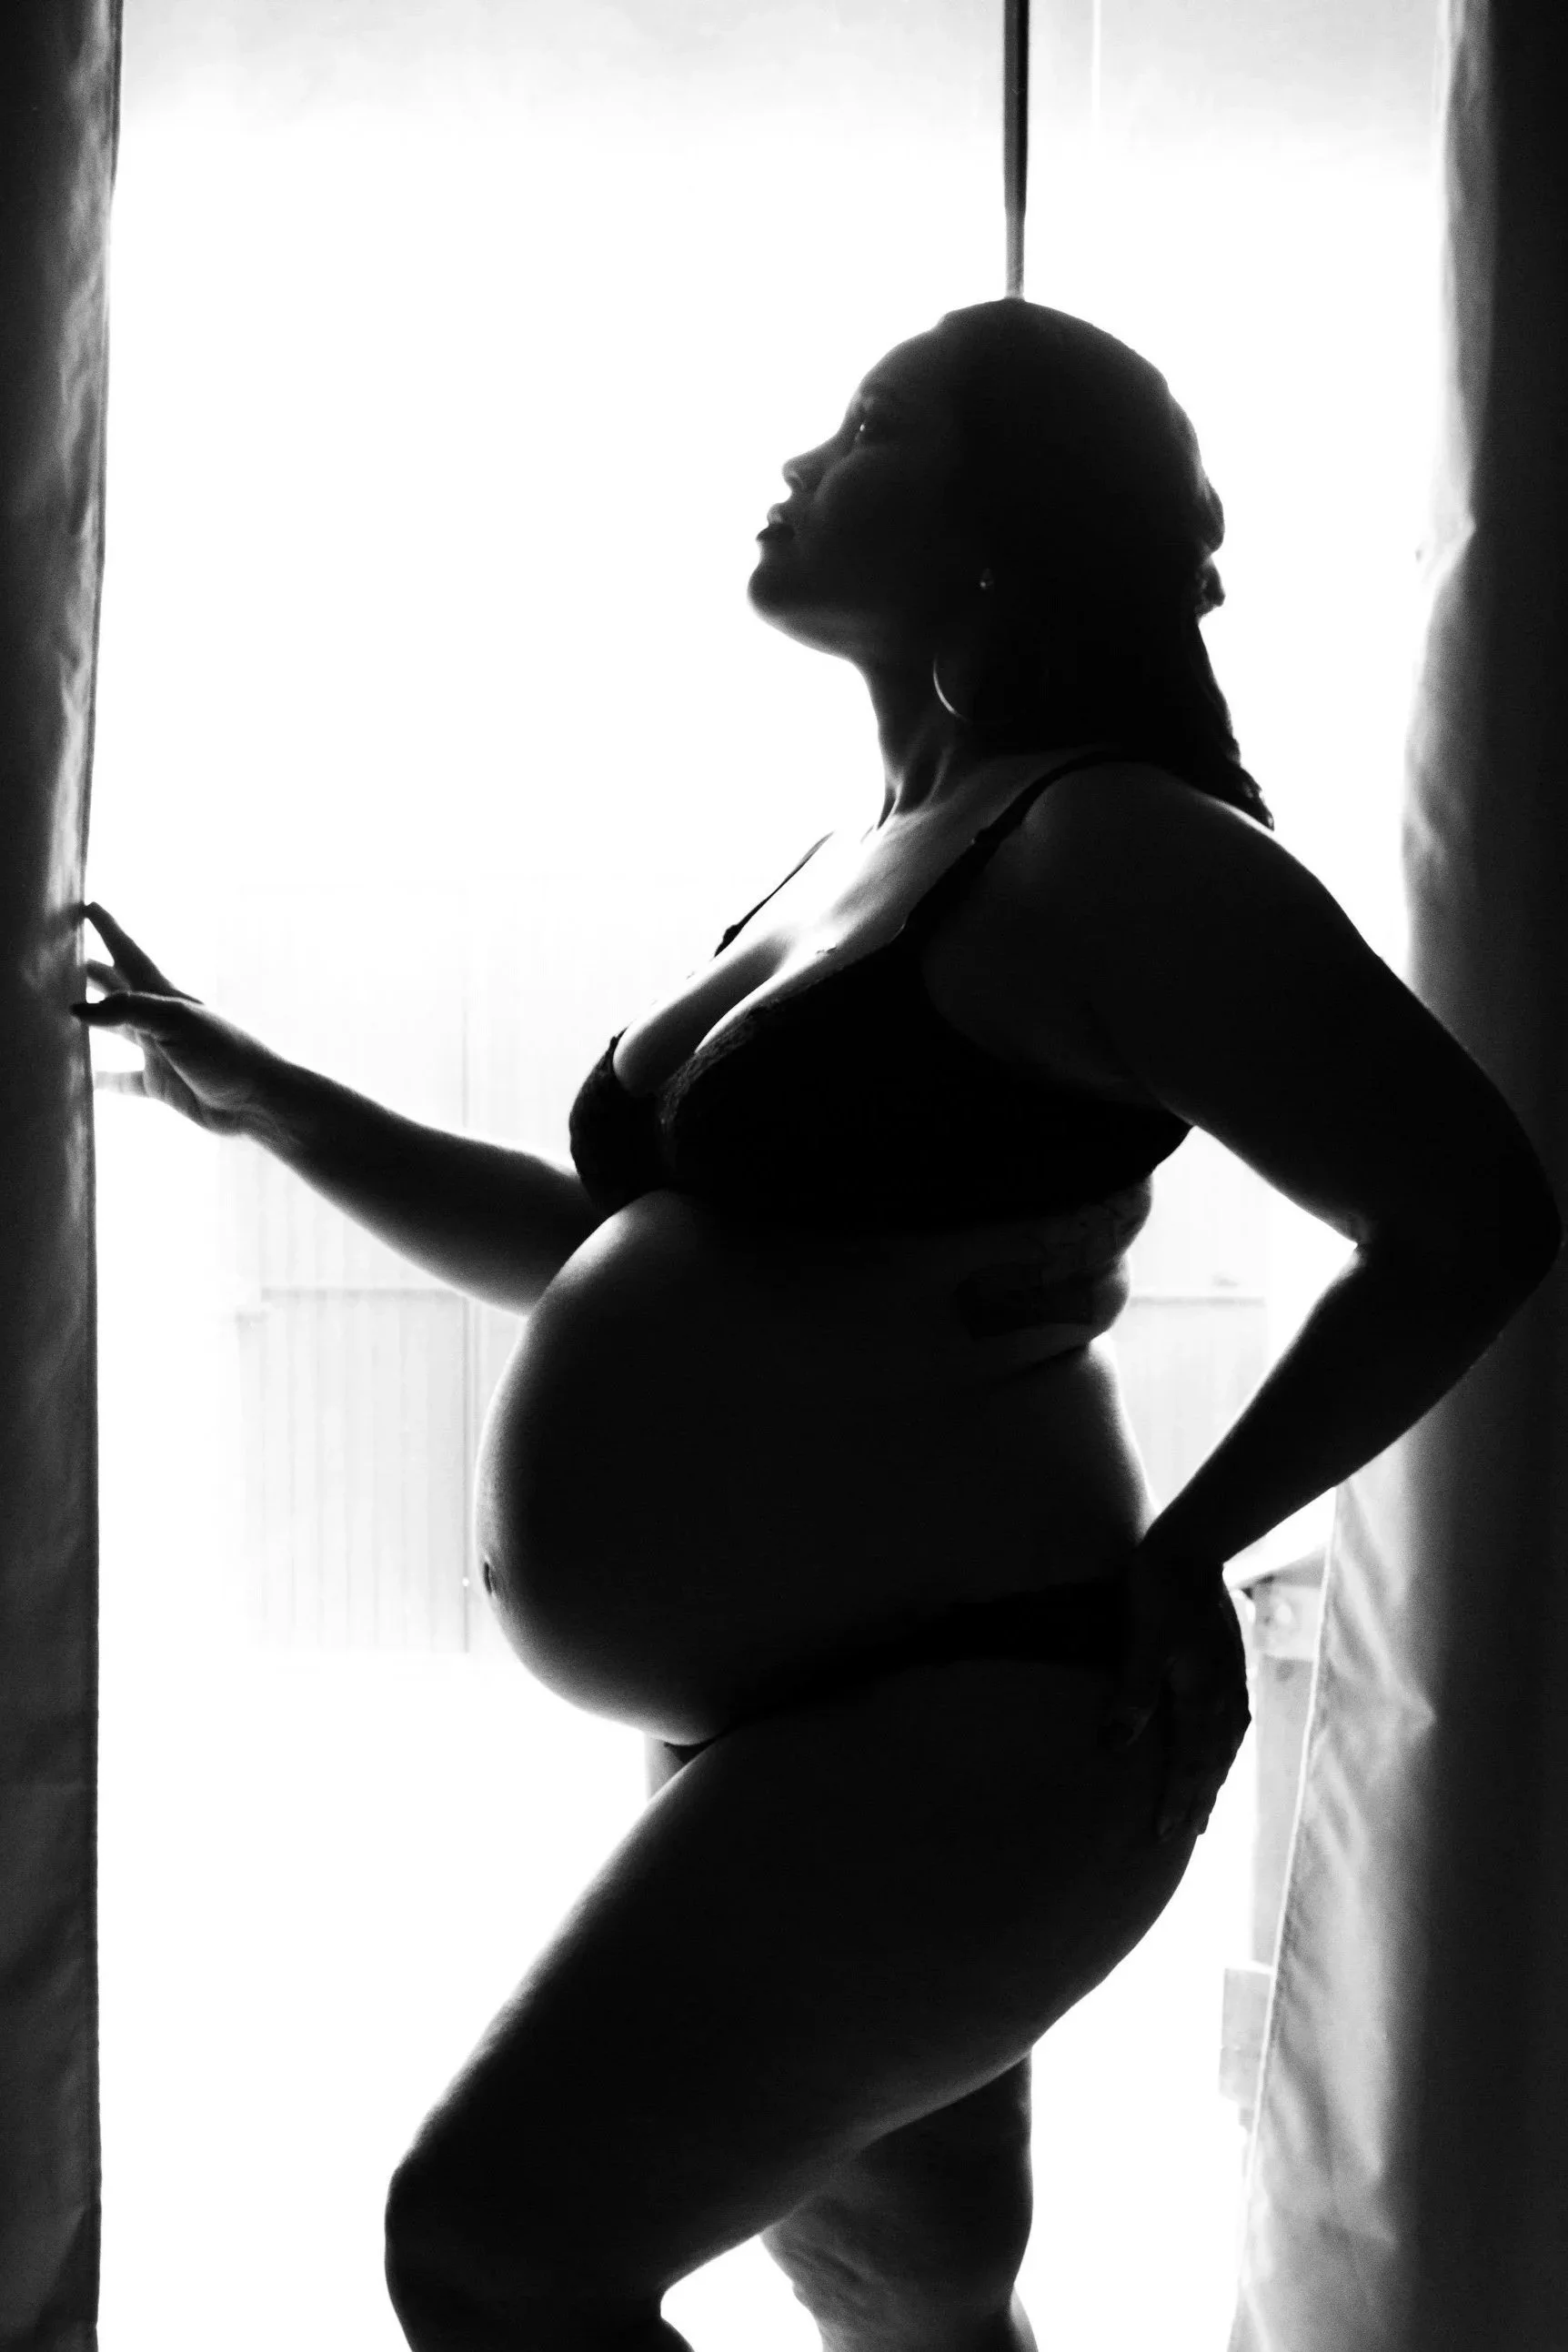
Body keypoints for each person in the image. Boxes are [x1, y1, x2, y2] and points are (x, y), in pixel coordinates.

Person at [75, 299, 1560, 2352]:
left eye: (868, 427)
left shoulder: (1115, 846)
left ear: (1003, 522)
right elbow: (610, 1250)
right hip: (811, 1734)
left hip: (973, 1715)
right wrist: (265, 1093)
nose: (801, 466)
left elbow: (1467, 1217)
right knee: (916, 2307)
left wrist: (1192, 1536)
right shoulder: (858, 858)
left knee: (496, 2249)